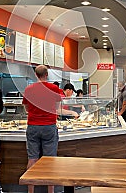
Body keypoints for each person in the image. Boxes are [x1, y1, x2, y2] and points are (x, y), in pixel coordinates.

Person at [23, 65, 77, 193]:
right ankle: (50, 191)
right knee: (50, 161)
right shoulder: (54, 89)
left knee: (32, 159)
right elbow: (57, 108)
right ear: (47, 75)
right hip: (49, 126)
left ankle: (31, 191)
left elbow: (26, 108)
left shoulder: (29, 89)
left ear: (36, 75)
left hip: (33, 126)